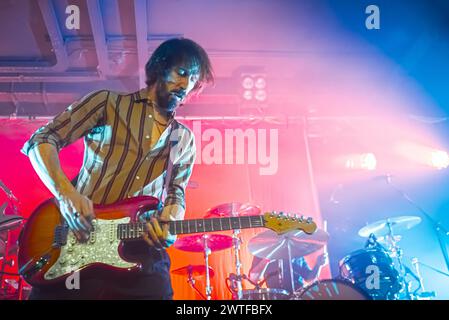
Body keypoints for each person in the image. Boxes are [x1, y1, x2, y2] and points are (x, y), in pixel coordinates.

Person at [21, 38, 214, 299]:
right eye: (181, 72)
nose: (185, 84)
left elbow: (176, 194)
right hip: (78, 239)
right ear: (160, 66)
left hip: (141, 252)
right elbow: (42, 140)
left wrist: (171, 222)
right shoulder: (107, 103)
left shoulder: (184, 138)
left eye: (193, 78)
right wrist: (67, 195)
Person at [249, 253, 328, 293]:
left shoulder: (295, 252)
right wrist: (267, 259)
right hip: (276, 295)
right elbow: (253, 278)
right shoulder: (263, 250)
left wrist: (318, 265)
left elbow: (308, 278)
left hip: (298, 294)